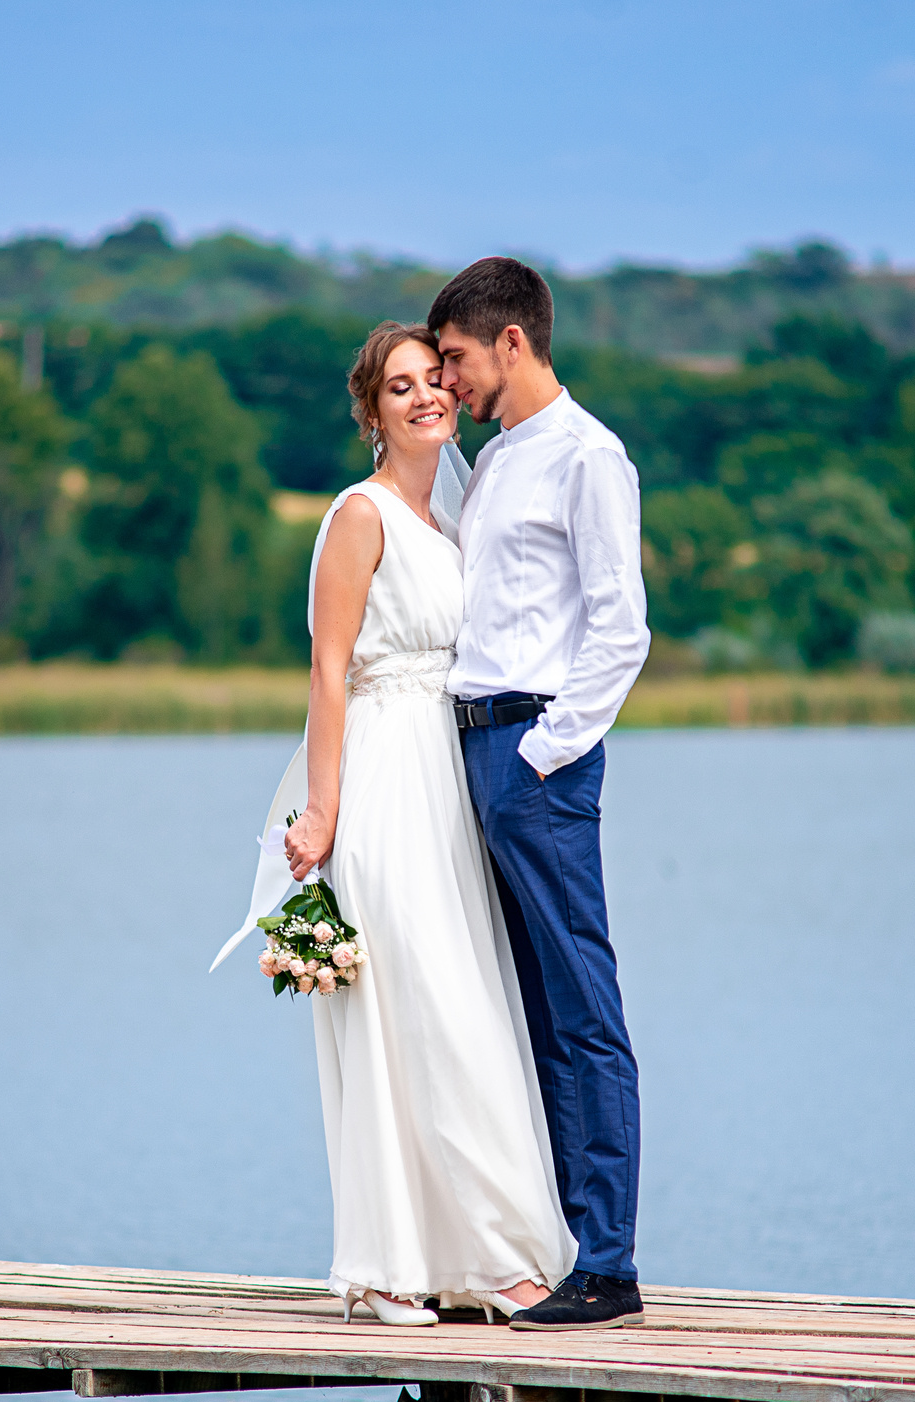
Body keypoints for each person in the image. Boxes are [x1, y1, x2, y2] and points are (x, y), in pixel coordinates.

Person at [229, 320, 578, 1327]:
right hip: (380, 777)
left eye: (435, 379)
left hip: (448, 783)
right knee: (416, 1012)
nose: (425, 396)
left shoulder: (449, 520)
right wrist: (324, 809)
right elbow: (328, 669)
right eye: (400, 386)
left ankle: (445, 1258)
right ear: (370, 410)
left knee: (458, 1005)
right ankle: (408, 1264)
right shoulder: (359, 513)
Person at [430, 257, 650, 1331]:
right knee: (517, 1016)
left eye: (460, 359)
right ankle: (551, 1249)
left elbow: (621, 628)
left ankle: (607, 1262)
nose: (452, 379)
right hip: (470, 750)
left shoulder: (587, 456)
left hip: (535, 755)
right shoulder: (492, 461)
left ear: (511, 341)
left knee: (580, 1009)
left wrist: (543, 755)